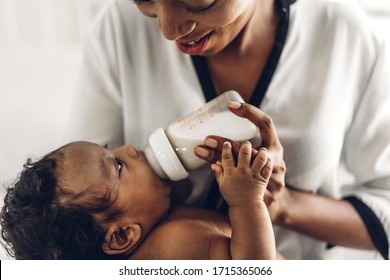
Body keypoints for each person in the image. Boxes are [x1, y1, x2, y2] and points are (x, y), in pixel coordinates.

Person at [65, 0, 390, 259]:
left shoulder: (347, 35)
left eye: (198, 3)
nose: (168, 30)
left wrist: (284, 206)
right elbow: (73, 218)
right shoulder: (118, 27)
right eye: (145, 0)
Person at [0, 138, 276, 260]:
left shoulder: (162, 222)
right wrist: (247, 202)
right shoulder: (174, 246)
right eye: (118, 165)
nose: (128, 148)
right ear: (121, 236)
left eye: (110, 149)